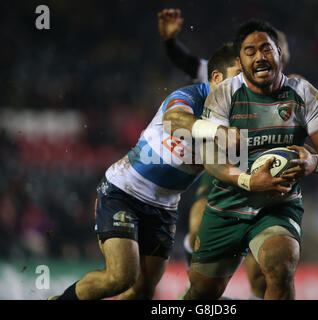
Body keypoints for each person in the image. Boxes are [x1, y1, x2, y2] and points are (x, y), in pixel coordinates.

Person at [49, 42, 288, 300]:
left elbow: (226, 167)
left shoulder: (240, 118)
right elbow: (175, 121)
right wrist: (218, 132)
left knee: (142, 290)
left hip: (164, 209)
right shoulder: (191, 96)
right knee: (120, 277)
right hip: (123, 192)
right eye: (238, 80)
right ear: (217, 78)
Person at [158, 9, 318, 300]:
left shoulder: (304, 92)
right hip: (228, 199)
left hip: (278, 203)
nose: (260, 56)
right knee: (201, 291)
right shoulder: (223, 92)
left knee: (279, 265)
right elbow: (212, 160)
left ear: (280, 55)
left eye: (267, 49)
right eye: (251, 51)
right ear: (239, 60)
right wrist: (250, 181)